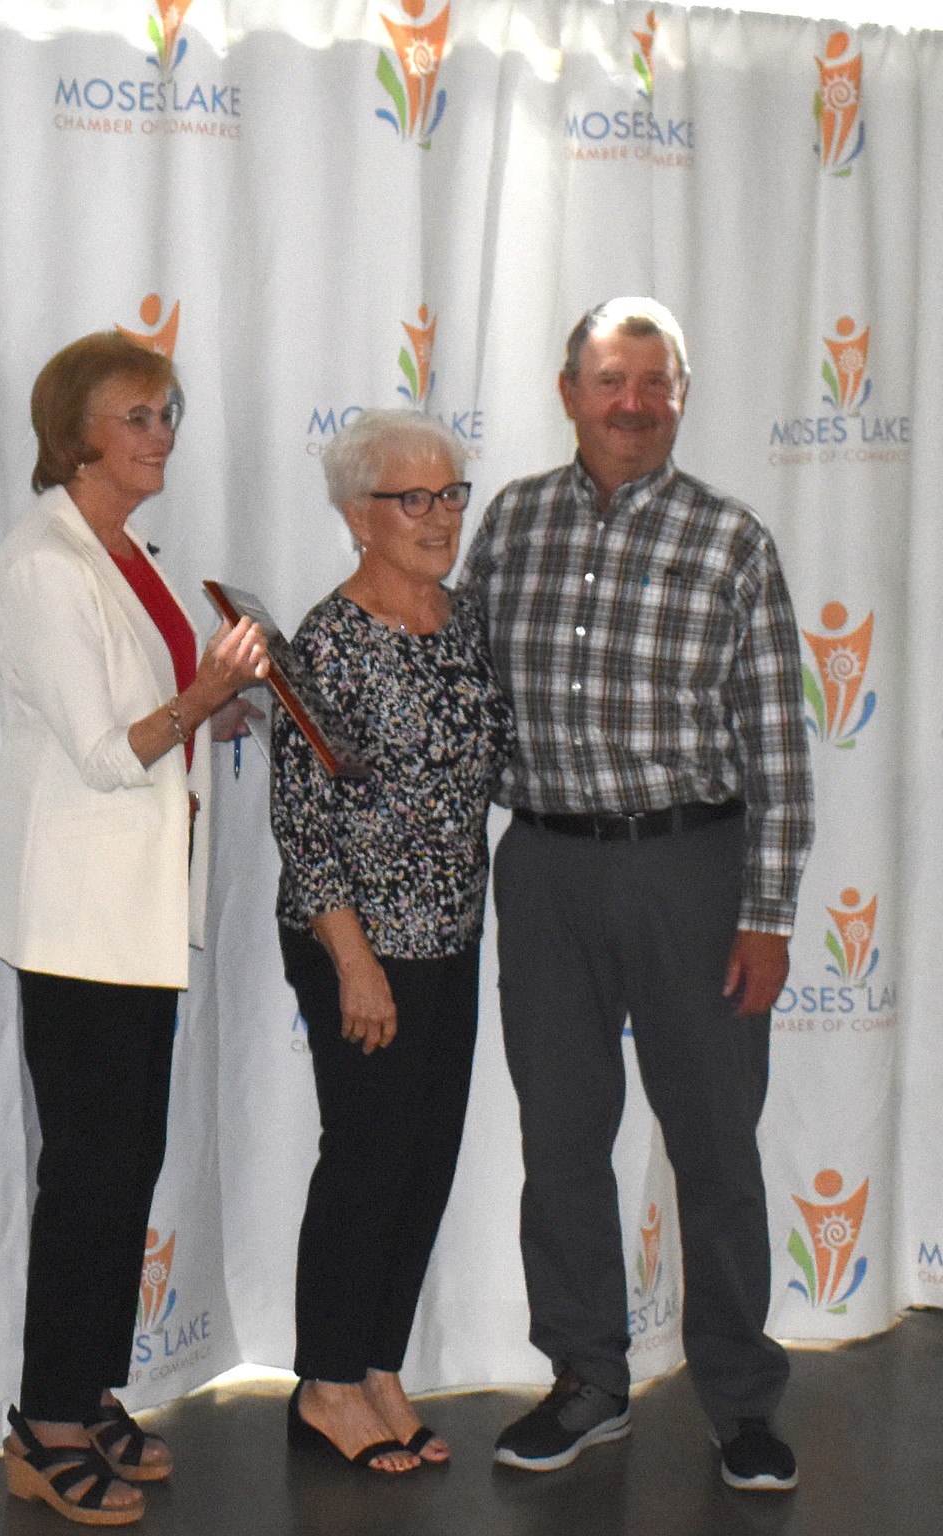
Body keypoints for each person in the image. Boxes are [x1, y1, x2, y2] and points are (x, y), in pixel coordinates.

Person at [460, 298, 814, 1491]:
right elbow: (463, 694)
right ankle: (587, 1380)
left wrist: (767, 914)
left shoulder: (731, 541)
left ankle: (741, 1398)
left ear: (679, 397)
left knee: (715, 1147)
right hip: (546, 867)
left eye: (655, 383)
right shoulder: (509, 525)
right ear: (569, 393)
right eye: (612, 381)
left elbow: (777, 749)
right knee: (561, 1137)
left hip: (693, 875)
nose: (633, 404)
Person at [0, 331, 269, 1526]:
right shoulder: (46, 563)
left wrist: (217, 716)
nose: (163, 434)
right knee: (92, 1173)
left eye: (170, 412)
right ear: (74, 435)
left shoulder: (126, 552)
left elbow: (141, 727)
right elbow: (107, 752)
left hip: (130, 916)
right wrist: (198, 698)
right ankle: (43, 1427)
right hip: (79, 922)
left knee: (120, 1164)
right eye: (139, 415)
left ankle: (84, 1388)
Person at [271, 409, 515, 1474]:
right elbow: (300, 820)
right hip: (354, 943)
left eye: (454, 493)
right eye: (413, 498)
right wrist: (355, 961)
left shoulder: (464, 621)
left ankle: (377, 1363)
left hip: (451, 936)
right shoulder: (326, 639)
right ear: (356, 514)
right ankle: (325, 1382)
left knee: (424, 1162)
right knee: (366, 1160)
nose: (440, 517)